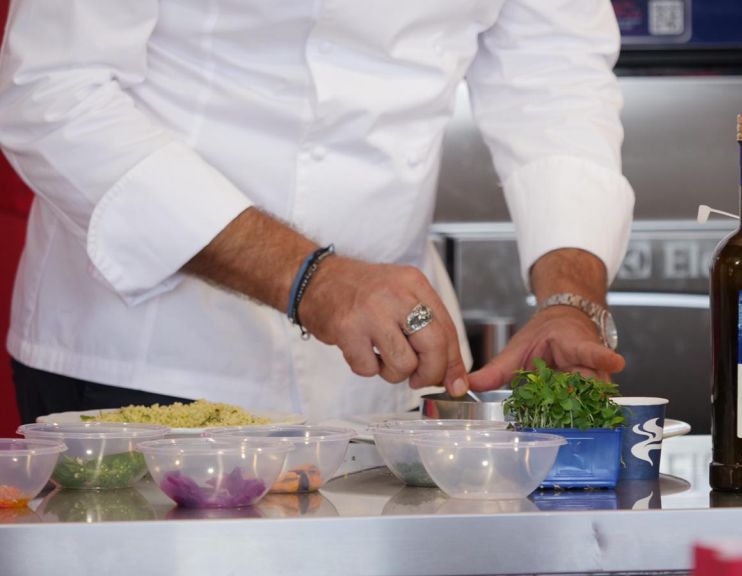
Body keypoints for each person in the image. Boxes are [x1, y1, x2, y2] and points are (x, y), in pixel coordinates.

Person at [0, 1, 635, 424]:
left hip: (390, 369)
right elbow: (51, 91)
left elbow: (554, 78)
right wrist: (310, 277)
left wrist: (569, 299)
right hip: (147, 354)